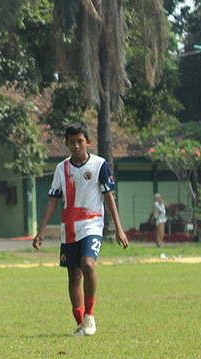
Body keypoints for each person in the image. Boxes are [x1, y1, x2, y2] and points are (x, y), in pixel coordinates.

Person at [33, 121, 129, 336]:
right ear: (66, 143)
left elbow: (108, 197)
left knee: (88, 265)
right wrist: (41, 231)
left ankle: (90, 315)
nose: (76, 146)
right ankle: (79, 322)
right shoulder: (62, 169)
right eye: (72, 142)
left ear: (88, 142)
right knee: (74, 275)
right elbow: (53, 200)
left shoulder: (99, 165)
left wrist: (120, 229)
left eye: (80, 141)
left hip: (92, 224)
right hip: (69, 227)